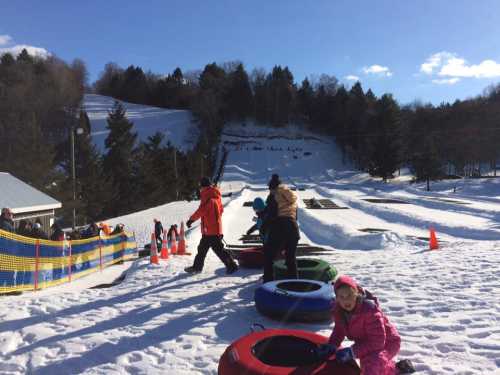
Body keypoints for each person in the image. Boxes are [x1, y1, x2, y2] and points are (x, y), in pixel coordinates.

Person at [315, 275, 415, 374]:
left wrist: (352, 352)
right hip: (365, 343)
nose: (346, 300)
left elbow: (377, 342)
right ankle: (389, 366)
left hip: (387, 343)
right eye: (341, 297)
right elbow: (339, 331)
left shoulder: (369, 310)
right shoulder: (340, 311)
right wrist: (332, 345)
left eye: (349, 295)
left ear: (356, 294)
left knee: (372, 366)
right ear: (337, 298)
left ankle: (398, 369)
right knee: (368, 364)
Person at [184, 176, 238, 274]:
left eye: (201, 186)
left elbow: (202, 211)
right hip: (211, 229)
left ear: (204, 186)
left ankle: (232, 266)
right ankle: (197, 267)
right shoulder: (215, 196)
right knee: (202, 249)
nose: (200, 188)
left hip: (211, 230)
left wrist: (191, 220)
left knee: (218, 250)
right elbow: (221, 210)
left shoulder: (208, 197)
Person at [261, 174, 300, 282]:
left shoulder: (274, 196)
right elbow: (295, 216)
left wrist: (263, 228)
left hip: (280, 227)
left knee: (268, 256)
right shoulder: (290, 196)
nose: (270, 191)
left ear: (272, 188)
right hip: (293, 228)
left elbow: (271, 216)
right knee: (290, 258)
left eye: (270, 189)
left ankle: (268, 284)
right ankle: (295, 285)